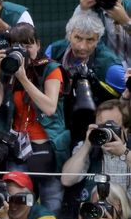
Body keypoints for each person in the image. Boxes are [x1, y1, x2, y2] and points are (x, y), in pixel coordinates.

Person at [0, 23, 69, 216]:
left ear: (38, 45)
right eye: (18, 46)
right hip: (17, 149)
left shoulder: (51, 68)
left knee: (51, 206)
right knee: (17, 207)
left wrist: (23, 78)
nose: (24, 51)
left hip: (46, 147)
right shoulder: (9, 71)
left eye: (28, 46)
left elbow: (49, 107)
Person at [45, 10, 126, 144]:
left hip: (97, 129)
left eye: (90, 40)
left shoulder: (111, 68)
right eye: (78, 38)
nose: (83, 46)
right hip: (60, 124)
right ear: (69, 35)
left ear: (98, 40)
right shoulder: (53, 51)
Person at [61, 100, 131, 219]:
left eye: (111, 126)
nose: (106, 131)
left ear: (125, 129)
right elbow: (67, 180)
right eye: (101, 126)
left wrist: (124, 153)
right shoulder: (88, 147)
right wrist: (87, 145)